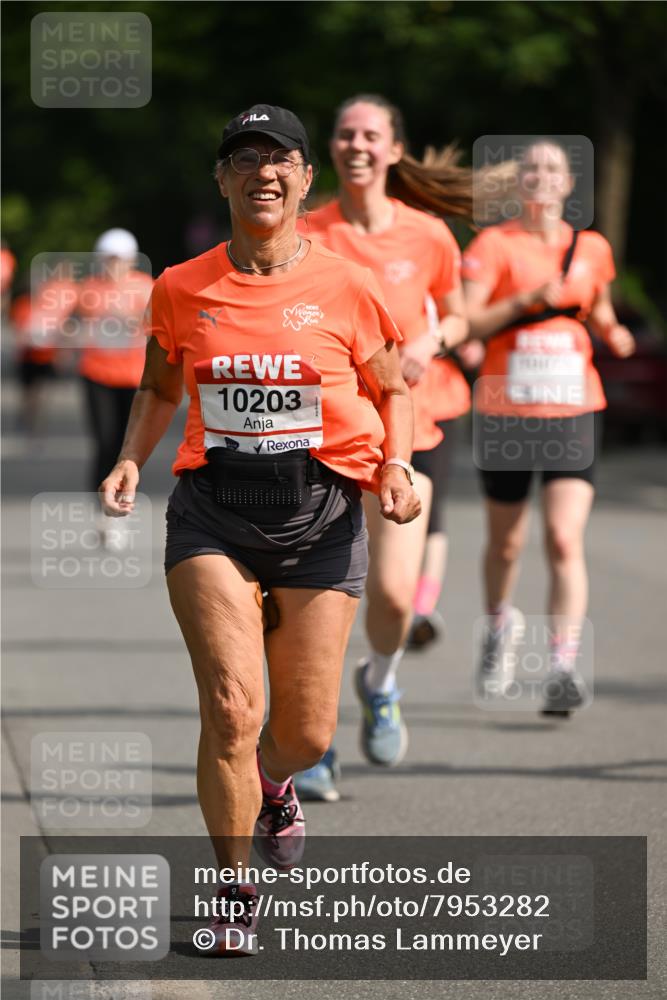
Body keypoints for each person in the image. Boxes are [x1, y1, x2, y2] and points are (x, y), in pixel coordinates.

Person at [99, 104, 420, 954]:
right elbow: (161, 387)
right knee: (233, 708)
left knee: (305, 733)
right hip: (213, 513)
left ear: (305, 179)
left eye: (279, 159)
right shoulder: (180, 285)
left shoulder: (350, 286)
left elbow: (395, 388)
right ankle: (232, 892)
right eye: (244, 159)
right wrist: (133, 457)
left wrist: (395, 463)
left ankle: (277, 783)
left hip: (320, 515)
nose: (262, 172)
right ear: (222, 179)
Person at [295, 94, 470, 798]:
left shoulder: (427, 236)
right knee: (315, 597)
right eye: (344, 134)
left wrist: (432, 340)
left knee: (394, 596)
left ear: (394, 150)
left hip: (412, 429)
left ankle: (381, 680)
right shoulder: (307, 231)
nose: (356, 144)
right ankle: (311, 744)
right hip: (325, 434)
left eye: (370, 134)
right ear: (329, 151)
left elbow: (456, 314)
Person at [462, 139, 635, 714]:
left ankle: (562, 663)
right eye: (530, 169)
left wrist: (615, 334)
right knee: (507, 544)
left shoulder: (591, 248)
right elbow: (468, 320)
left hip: (573, 409)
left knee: (563, 538)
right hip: (505, 411)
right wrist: (524, 301)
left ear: (567, 184)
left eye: (551, 169)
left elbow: (599, 309)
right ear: (518, 185)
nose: (540, 177)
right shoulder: (494, 245)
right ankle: (497, 627)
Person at [79, 229, 153, 495]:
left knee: (127, 445)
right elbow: (76, 325)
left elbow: (157, 327)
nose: (114, 265)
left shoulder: (146, 286)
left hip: (134, 377)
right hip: (96, 373)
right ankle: (100, 503)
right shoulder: (90, 287)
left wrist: (128, 317)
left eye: (120, 259)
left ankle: (123, 496)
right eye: (109, 259)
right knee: (104, 441)